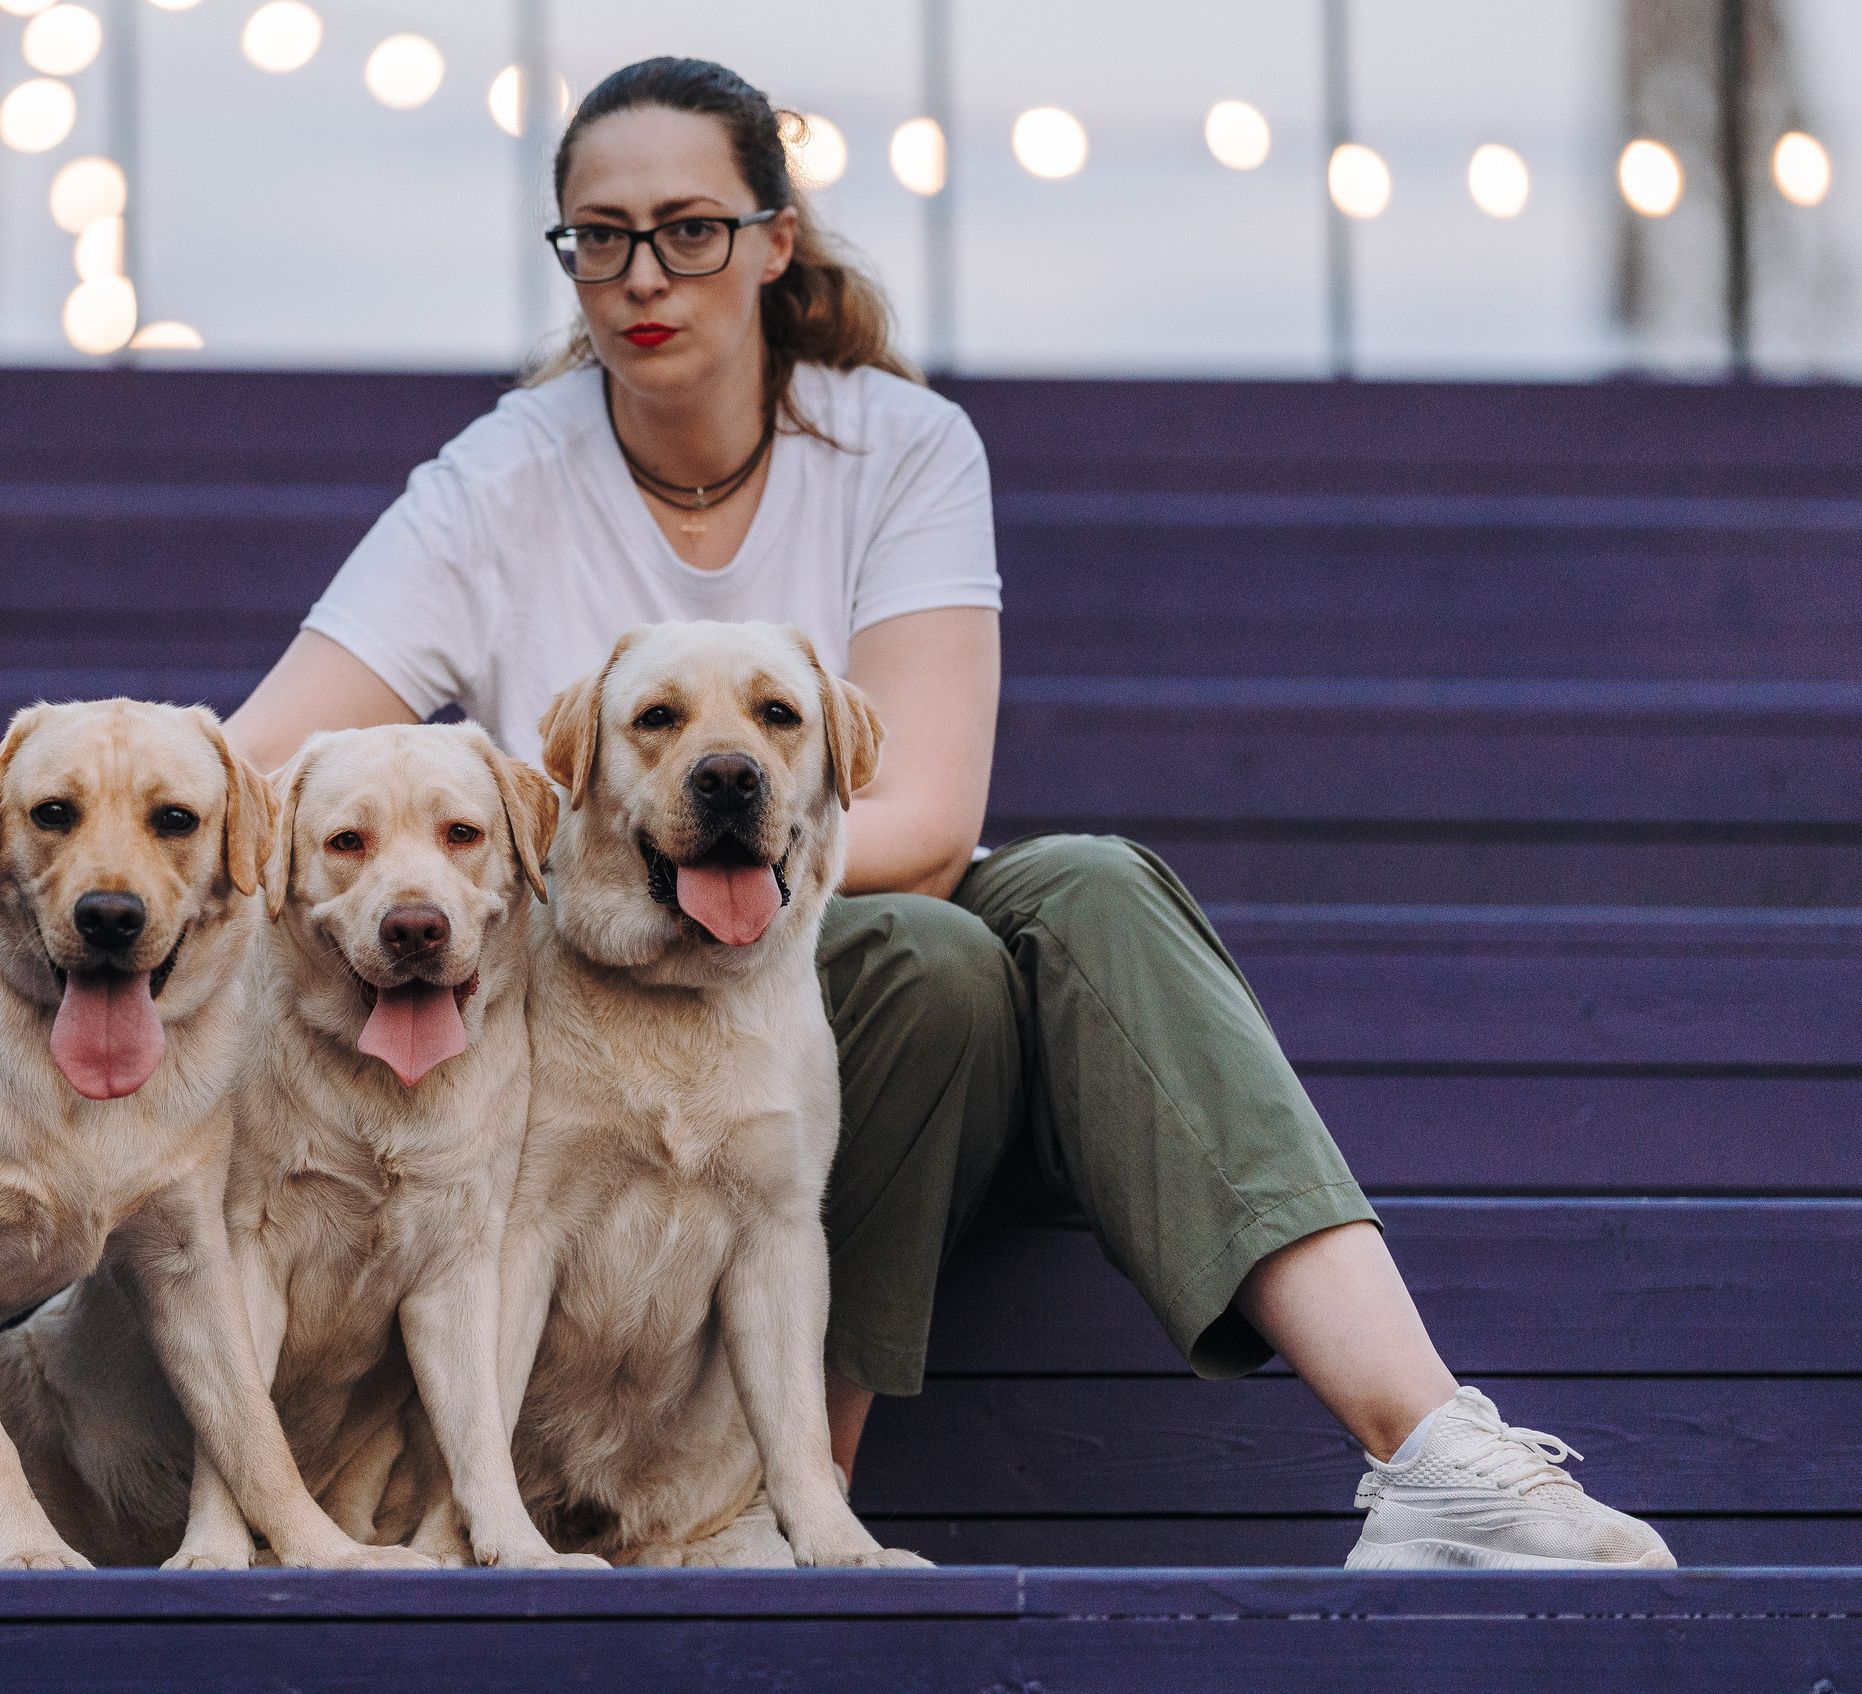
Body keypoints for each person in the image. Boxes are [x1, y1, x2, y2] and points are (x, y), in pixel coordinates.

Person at [225, 55, 1673, 1571]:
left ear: (777, 240)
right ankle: (784, 1506)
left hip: (817, 942)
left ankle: (1430, 1448)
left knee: (1084, 887)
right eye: (601, 236)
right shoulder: (495, 483)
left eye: (691, 229)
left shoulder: (901, 446)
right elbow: (261, 766)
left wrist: (727, 876)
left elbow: (921, 805)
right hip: (591, 996)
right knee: (936, 967)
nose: (643, 275)